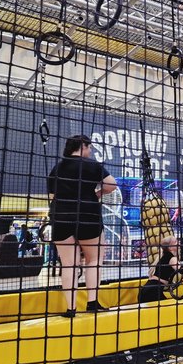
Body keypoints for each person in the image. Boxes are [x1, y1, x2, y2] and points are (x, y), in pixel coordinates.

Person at [48, 134, 117, 318]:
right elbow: (112, 185)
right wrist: (97, 194)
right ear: (83, 146)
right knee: (93, 260)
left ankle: (71, 309)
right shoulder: (92, 165)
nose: (91, 151)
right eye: (90, 147)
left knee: (68, 264)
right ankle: (92, 303)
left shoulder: (57, 168)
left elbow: (52, 195)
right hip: (87, 215)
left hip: (61, 217)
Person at [138, 237, 183, 303]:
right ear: (170, 247)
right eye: (175, 242)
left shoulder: (164, 256)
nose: (178, 243)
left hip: (146, 290)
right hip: (152, 291)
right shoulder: (171, 258)